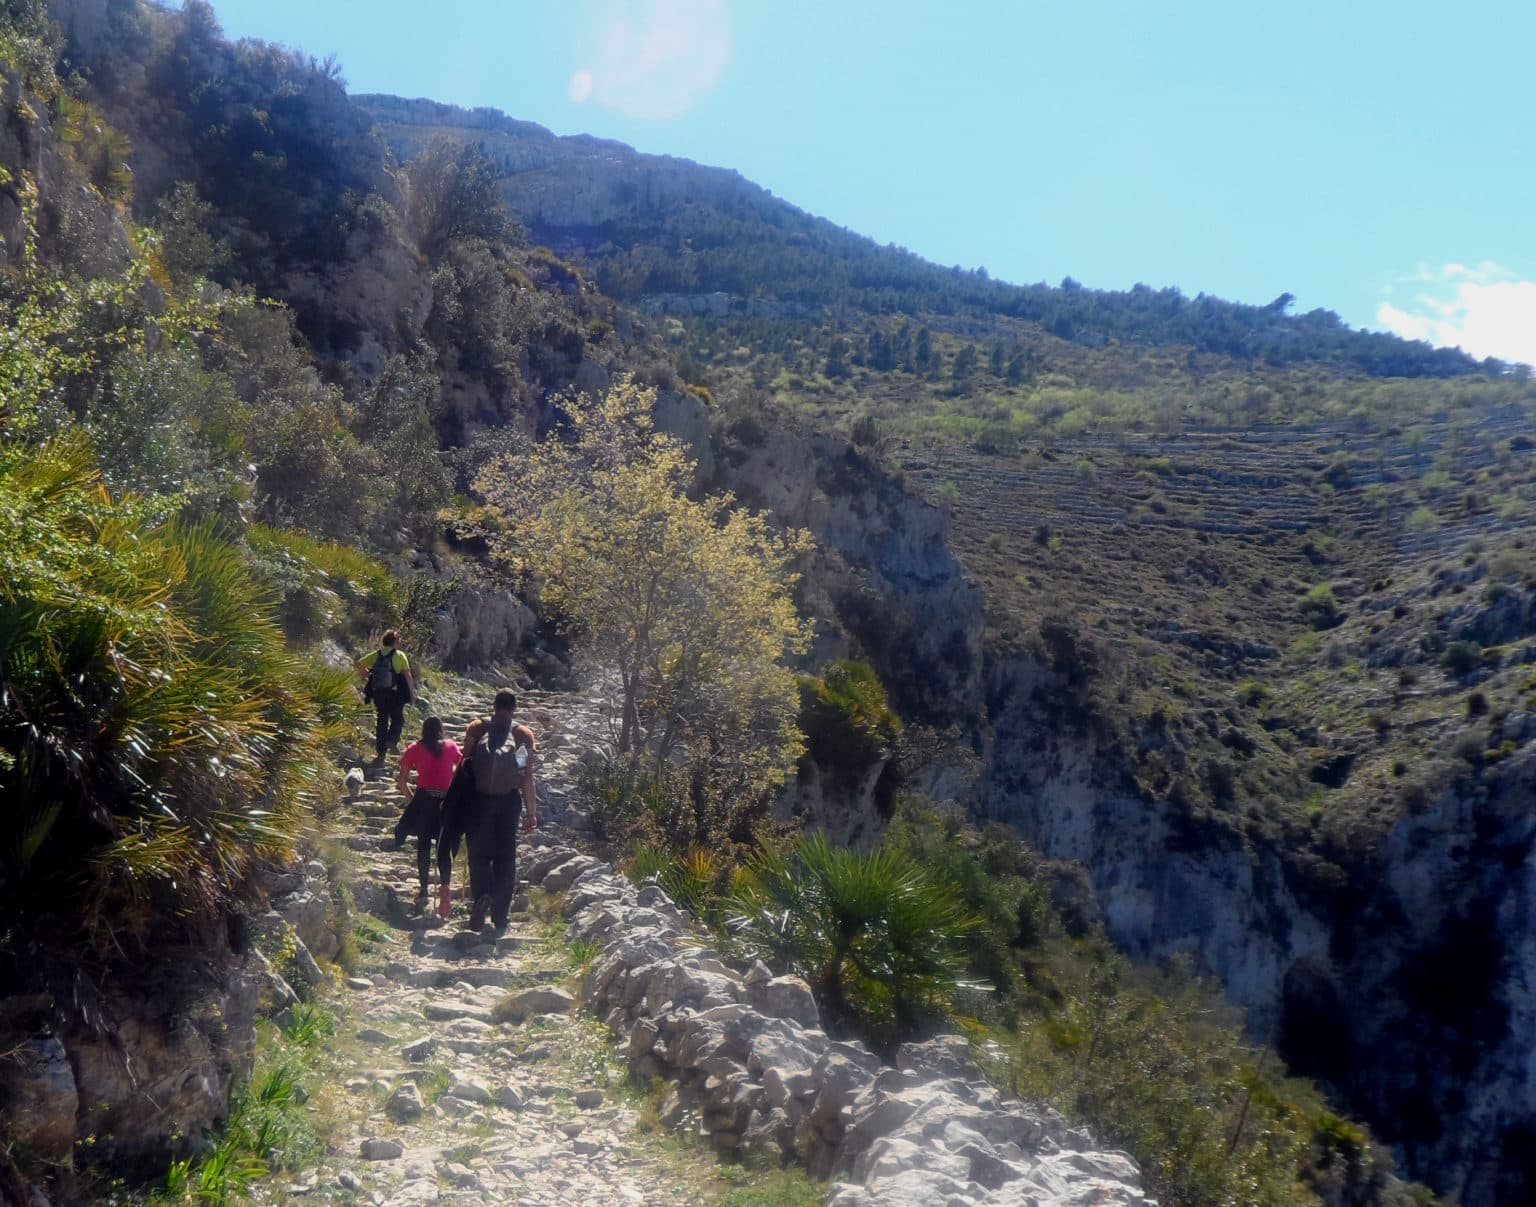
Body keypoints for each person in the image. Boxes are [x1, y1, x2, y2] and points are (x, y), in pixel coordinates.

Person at [455, 689, 538, 933]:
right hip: (507, 804)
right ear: (514, 709)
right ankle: (501, 917)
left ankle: (481, 898)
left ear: (493, 705)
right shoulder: (522, 735)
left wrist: (454, 805)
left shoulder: (477, 728)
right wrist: (531, 812)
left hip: (478, 802)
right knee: (505, 860)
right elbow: (526, 776)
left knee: (478, 856)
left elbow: (463, 765)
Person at [395, 716, 462, 914]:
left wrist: (412, 799)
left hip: (424, 800)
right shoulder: (450, 747)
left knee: (423, 844)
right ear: (441, 730)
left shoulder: (414, 748)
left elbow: (402, 780)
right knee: (444, 847)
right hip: (445, 803)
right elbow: (462, 767)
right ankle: (445, 888)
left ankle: (424, 888)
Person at [357, 629, 415, 764]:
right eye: (398, 640)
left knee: (381, 721)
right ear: (394, 641)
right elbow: (408, 676)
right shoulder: (400, 655)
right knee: (398, 719)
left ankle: (381, 753)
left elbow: (359, 663)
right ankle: (392, 740)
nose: (399, 643)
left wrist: (368, 676)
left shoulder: (376, 655)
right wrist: (412, 694)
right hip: (395, 694)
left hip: (379, 693)